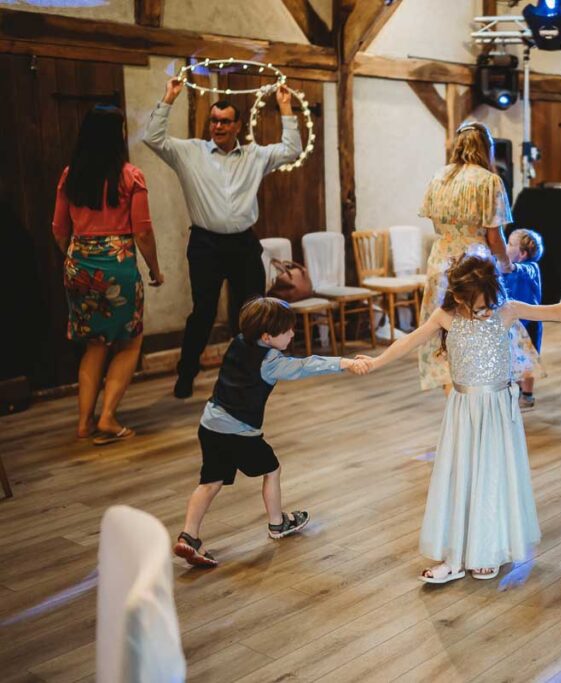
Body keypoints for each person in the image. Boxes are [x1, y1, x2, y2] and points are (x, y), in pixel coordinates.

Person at [354, 256, 561, 583]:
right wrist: (376, 362)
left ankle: (488, 550)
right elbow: (408, 341)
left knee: (491, 475)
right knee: (460, 476)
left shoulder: (504, 311)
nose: (477, 312)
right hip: (463, 409)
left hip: (496, 408)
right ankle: (454, 556)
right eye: (470, 305)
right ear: (456, 295)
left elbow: (555, 311)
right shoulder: (446, 316)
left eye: (482, 306)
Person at [145, 77, 301, 400]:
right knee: (203, 312)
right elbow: (152, 137)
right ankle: (186, 375)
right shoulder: (190, 152)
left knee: (254, 311)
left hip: (243, 243)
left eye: (225, 121)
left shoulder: (255, 156)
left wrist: (285, 107)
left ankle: (254, 373)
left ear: (237, 125)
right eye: (214, 120)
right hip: (206, 245)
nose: (218, 126)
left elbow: (292, 151)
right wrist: (169, 97)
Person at [172, 297, 358, 567]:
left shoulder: (238, 341)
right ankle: (277, 523)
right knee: (271, 469)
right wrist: (344, 362)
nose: (292, 334)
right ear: (268, 336)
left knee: (210, 482)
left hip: (210, 423)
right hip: (240, 432)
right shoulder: (271, 361)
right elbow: (305, 366)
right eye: (288, 331)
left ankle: (188, 537)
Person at [52, 105, 164, 445]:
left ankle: (84, 423)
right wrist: (155, 270)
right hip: (117, 266)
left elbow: (58, 229)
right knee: (129, 343)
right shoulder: (131, 176)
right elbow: (142, 232)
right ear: (117, 136)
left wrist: (77, 260)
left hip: (78, 265)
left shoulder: (70, 175)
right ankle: (108, 418)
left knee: (93, 345)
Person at [418, 121, 541, 392]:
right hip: (474, 262)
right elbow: (494, 237)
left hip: (440, 260)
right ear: (487, 148)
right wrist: (507, 265)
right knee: (483, 332)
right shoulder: (489, 181)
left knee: (446, 331)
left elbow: (435, 223)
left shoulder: (439, 177)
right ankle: (485, 397)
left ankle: (453, 396)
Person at [503, 229, 544, 411]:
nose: (505, 247)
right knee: (513, 356)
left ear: (523, 254)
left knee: (529, 357)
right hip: (513, 322)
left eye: (510, 244)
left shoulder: (529, 268)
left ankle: (527, 395)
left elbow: (516, 269)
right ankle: (517, 388)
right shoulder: (508, 268)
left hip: (530, 322)